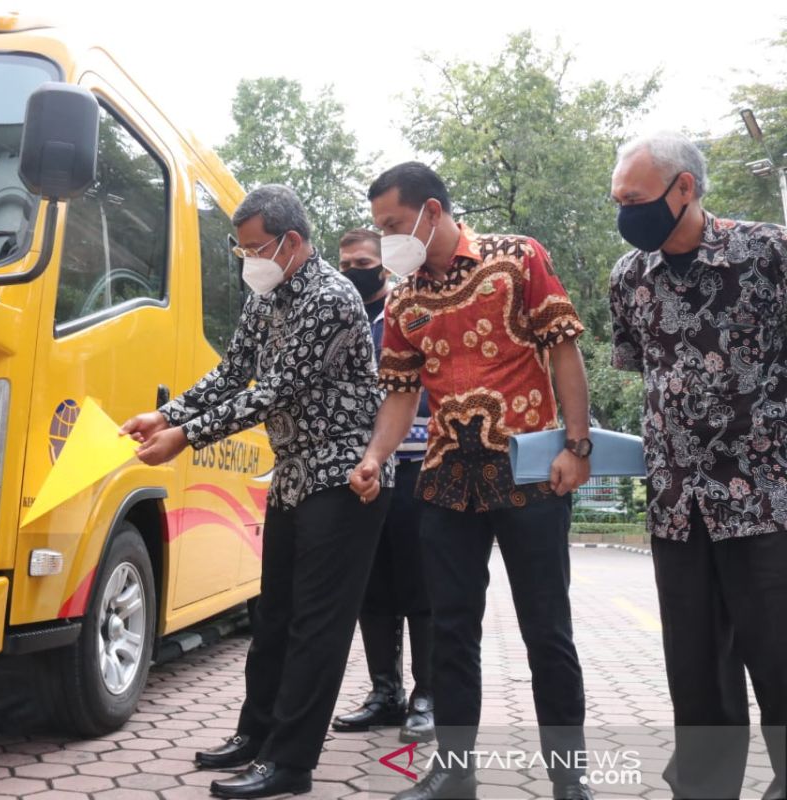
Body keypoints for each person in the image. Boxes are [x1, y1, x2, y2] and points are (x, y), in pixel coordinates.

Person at [120, 184, 393, 799]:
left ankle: (291, 764)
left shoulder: (330, 296)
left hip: (343, 477)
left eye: (254, 248)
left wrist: (185, 437)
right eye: (240, 249)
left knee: (316, 626)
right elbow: (231, 372)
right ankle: (256, 735)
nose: (247, 261)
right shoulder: (266, 297)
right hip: (295, 476)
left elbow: (275, 390)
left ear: (292, 242)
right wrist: (164, 416)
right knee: (273, 615)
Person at [349, 162, 594, 800]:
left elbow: (564, 348)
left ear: (432, 211)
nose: (386, 241)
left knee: (548, 629)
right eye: (380, 228)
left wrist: (577, 443)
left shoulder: (517, 259)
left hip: (531, 476)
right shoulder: (403, 299)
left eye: (394, 225)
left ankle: (570, 781)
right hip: (444, 482)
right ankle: (453, 776)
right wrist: (375, 456)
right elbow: (401, 396)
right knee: (452, 629)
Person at [609, 132, 786, 800]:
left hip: (767, 497)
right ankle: (708, 788)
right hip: (678, 505)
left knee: (779, 658)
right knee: (695, 671)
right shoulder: (629, 278)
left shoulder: (768, 253)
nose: (626, 212)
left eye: (636, 198)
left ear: (684, 187)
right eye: (618, 200)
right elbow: (639, 368)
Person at [333, 228, 435, 743]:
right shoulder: (340, 319)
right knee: (372, 585)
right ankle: (383, 692)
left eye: (364, 261)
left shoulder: (411, 311)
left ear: (385, 266)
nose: (355, 270)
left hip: (417, 465)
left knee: (420, 584)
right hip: (364, 473)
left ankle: (427, 695)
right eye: (346, 262)